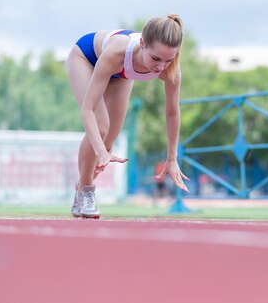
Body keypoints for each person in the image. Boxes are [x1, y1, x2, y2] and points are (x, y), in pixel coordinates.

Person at [66, 14, 190, 218]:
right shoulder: (117, 51)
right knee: (101, 128)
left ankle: (83, 181)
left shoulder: (171, 71)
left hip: (121, 73)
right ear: (142, 43)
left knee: (110, 139)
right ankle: (85, 191)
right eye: (156, 58)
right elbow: (87, 110)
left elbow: (172, 113)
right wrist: (100, 151)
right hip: (87, 58)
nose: (160, 67)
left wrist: (172, 158)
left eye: (168, 60)